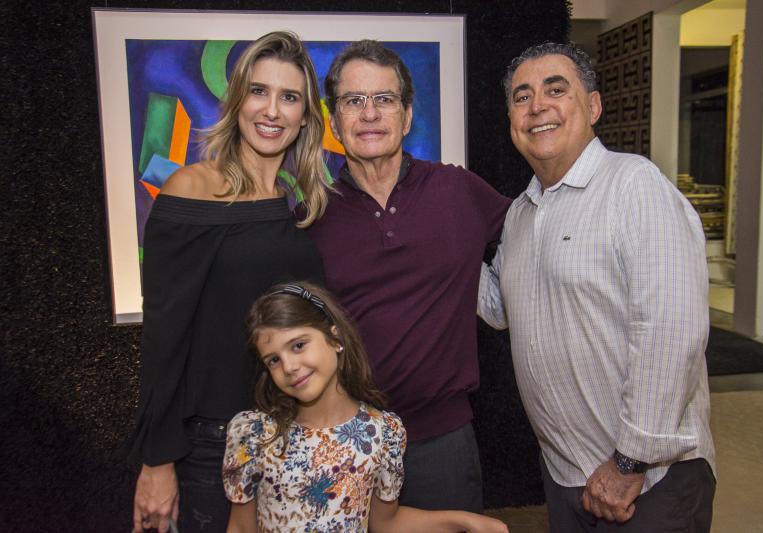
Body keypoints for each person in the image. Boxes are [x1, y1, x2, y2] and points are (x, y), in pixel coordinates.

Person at [478, 42, 716, 531]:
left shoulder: (634, 186)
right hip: (567, 474)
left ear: (593, 106)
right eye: (522, 97)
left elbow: (671, 331)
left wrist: (630, 461)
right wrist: (435, 249)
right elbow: (500, 305)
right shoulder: (521, 213)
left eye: (555, 90)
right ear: (511, 120)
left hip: (650, 480)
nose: (537, 106)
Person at [129, 32, 330, 533]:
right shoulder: (191, 188)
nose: (272, 110)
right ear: (237, 100)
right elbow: (163, 339)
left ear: (306, 116)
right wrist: (157, 461)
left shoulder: (299, 204)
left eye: (289, 97)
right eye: (259, 91)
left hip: (296, 436)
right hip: (213, 447)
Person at [305, 39, 512, 513]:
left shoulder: (458, 190)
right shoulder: (313, 216)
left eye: (384, 98)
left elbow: (535, 234)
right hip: (346, 442)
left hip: (442, 442)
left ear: (407, 115)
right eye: (354, 100)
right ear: (334, 121)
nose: (370, 113)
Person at [223, 282, 508, 533]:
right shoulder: (254, 433)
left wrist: (466, 521)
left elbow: (386, 523)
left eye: (298, 346)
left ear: (335, 339)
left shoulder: (382, 433)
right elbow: (240, 527)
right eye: (273, 360)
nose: (289, 366)